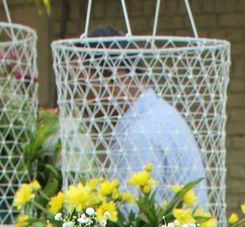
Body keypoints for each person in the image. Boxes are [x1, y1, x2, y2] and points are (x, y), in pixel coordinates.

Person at [87, 26, 209, 206]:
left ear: (115, 77)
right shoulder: (161, 114)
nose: (84, 99)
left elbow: (132, 221)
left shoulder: (138, 135)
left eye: (85, 87)